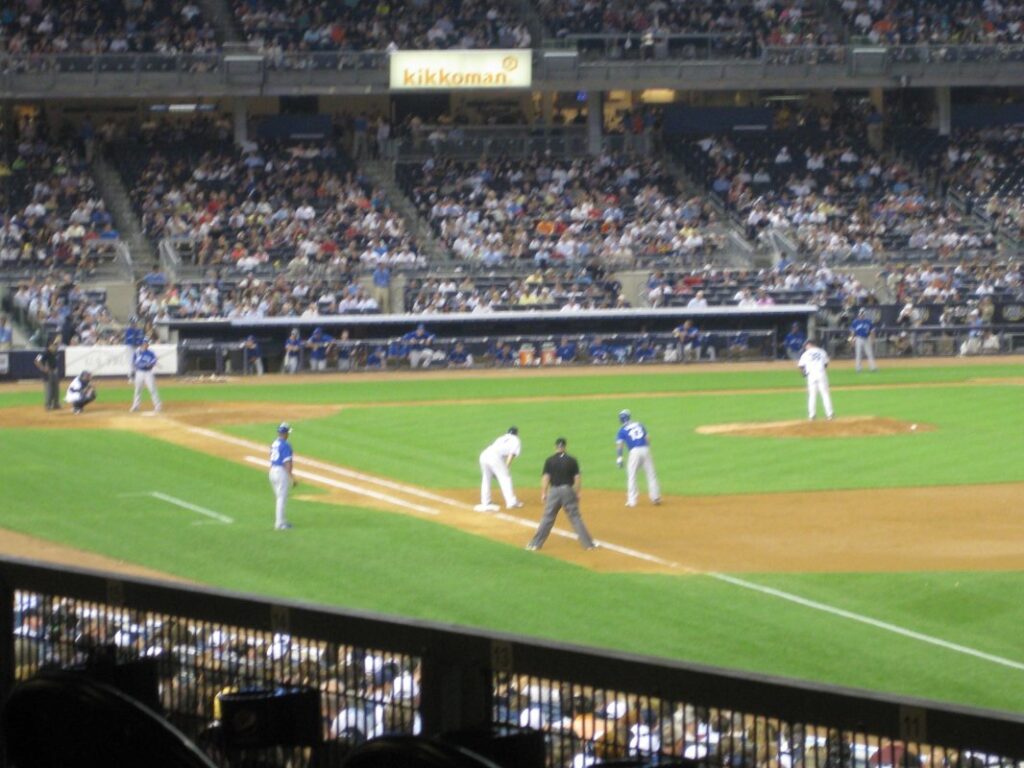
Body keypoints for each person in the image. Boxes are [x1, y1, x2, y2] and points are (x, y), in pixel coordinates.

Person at [526, 437, 596, 552]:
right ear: (565, 446)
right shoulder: (572, 460)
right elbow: (577, 478)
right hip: (568, 490)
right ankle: (588, 545)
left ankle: (535, 544)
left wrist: (544, 492)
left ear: (556, 447)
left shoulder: (549, 460)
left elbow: (546, 477)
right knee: (575, 517)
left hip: (554, 491)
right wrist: (577, 493)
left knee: (548, 517)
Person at [615, 410, 661, 507]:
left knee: (632, 475)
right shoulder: (639, 424)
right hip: (645, 449)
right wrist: (646, 450)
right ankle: (655, 497)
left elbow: (620, 445)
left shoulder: (622, 430)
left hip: (634, 452)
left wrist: (619, 457)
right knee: (651, 474)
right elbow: (648, 438)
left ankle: (632, 501)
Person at [476, 427, 523, 512]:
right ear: (517, 433)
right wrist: (506, 467)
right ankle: (511, 502)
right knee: (505, 478)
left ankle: (486, 501)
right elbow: (511, 454)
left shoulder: (501, 438)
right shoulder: (516, 440)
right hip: (494, 457)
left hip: (484, 454)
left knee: (486, 478)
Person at [797, 339, 834, 421]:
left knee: (812, 395)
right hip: (821, 374)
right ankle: (830, 414)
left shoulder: (806, 353)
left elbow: (801, 366)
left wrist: (804, 374)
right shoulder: (822, 352)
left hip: (811, 375)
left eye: (806, 345)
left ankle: (812, 416)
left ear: (810, 345)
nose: (805, 347)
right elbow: (826, 364)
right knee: (825, 394)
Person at [269, 422, 296, 530]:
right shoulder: (285, 445)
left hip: (272, 471)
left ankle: (282, 521)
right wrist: (292, 477)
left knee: (280, 498)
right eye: (288, 433)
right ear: (285, 433)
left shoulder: (274, 443)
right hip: (281, 472)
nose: (288, 434)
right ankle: (279, 524)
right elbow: (287, 463)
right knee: (281, 499)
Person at [130, 338, 162, 413]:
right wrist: (143, 364)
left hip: (148, 373)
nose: (147, 344)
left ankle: (158, 406)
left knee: (152, 389)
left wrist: (151, 363)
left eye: (147, 343)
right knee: (137, 390)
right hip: (139, 373)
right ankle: (136, 406)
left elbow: (153, 363)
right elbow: (134, 363)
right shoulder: (137, 352)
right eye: (145, 343)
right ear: (142, 344)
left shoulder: (151, 353)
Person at [34, 337, 61, 411]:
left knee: (56, 389)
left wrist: (57, 340)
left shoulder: (54, 352)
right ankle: (48, 405)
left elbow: (58, 339)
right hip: (48, 373)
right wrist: (43, 368)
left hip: (55, 371)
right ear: (49, 345)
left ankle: (56, 404)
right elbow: (36, 361)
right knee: (49, 389)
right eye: (53, 345)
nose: (55, 347)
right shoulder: (45, 352)